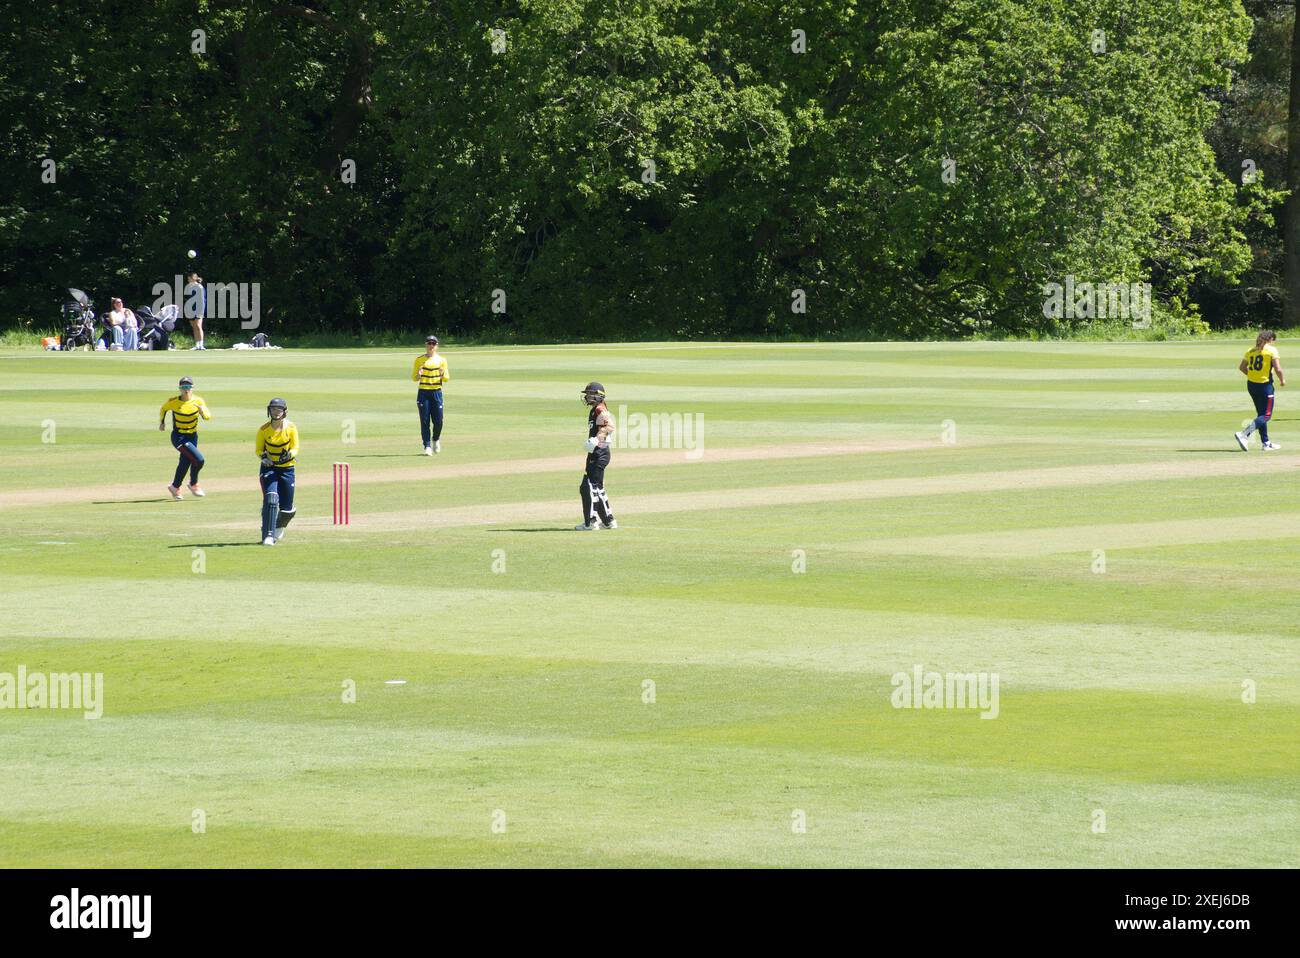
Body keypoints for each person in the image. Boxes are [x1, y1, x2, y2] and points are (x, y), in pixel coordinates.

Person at [158, 376, 211, 499]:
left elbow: (208, 416)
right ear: (179, 389)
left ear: (192, 388)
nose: (186, 390)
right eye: (183, 387)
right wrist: (162, 422)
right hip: (179, 437)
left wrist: (202, 412)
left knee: (185, 461)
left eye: (188, 387)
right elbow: (163, 409)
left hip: (192, 436)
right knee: (199, 460)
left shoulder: (198, 401)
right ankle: (194, 484)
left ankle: (175, 487)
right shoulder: (173, 401)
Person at [256, 397, 299, 545]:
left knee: (287, 510)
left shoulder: (291, 428)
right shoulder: (263, 430)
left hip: (287, 469)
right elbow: (258, 449)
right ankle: (268, 535)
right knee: (271, 498)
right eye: (273, 409)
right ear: (269, 411)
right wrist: (263, 457)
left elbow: (296, 447)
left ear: (284, 411)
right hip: (269, 468)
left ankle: (279, 526)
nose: (276, 412)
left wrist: (290, 454)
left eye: (279, 409)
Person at [575, 381, 617, 531]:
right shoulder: (596, 409)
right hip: (599, 452)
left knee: (589, 487)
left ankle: (592, 522)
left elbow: (609, 426)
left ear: (599, 396)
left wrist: (595, 439)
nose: (587, 396)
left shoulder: (599, 408)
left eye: (590, 394)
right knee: (596, 487)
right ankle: (608, 520)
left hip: (599, 452)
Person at [1235, 330, 1285, 451]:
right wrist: (1282, 380)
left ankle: (1266, 443)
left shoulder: (1250, 350)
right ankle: (1244, 434)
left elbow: (1242, 367)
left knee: (1261, 414)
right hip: (1265, 386)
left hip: (1251, 385)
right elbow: (1278, 369)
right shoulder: (1271, 350)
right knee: (1266, 415)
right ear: (1270, 340)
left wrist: (1253, 376)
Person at [411, 335, 450, 454]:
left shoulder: (442, 360)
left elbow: (446, 378)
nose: (431, 346)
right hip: (423, 392)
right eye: (429, 343)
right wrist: (419, 374)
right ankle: (427, 446)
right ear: (426, 344)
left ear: (437, 346)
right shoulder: (419, 360)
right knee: (425, 420)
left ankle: (435, 439)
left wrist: (442, 374)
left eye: (433, 344)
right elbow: (414, 378)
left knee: (438, 421)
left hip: (436, 392)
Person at [184, 273, 207, 350]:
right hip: (191, 309)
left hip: (199, 309)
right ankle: (197, 345)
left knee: (198, 326)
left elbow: (202, 300)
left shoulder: (199, 287)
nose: (188, 280)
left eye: (189, 279)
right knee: (194, 327)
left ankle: (201, 345)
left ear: (193, 278)